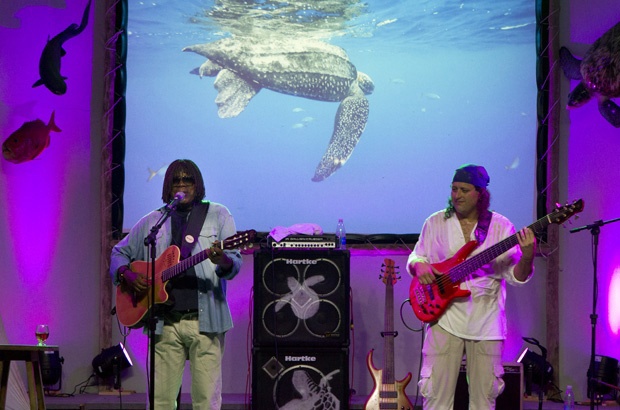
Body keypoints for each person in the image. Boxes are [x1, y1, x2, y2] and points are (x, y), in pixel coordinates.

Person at [110, 159, 243, 409]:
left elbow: (234, 263)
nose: (182, 184)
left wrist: (222, 258)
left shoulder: (218, 215)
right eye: (176, 180)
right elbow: (118, 252)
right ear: (168, 187)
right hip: (164, 323)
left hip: (206, 322)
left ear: (197, 184)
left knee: (206, 401)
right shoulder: (153, 222)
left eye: (188, 180)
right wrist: (127, 274)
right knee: (160, 401)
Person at [406, 164, 536, 410]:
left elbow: (517, 276)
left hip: (486, 322)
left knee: (483, 401)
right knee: (435, 400)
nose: (457, 195)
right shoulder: (435, 223)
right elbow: (416, 257)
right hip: (443, 319)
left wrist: (528, 255)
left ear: (480, 194)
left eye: (464, 190)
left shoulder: (500, 226)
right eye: (454, 189)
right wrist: (419, 266)